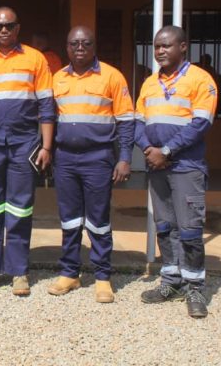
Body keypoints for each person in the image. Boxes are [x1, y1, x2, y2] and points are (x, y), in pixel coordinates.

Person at [0, 6, 55, 296]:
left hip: (24, 144)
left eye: (9, 25)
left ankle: (18, 272)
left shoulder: (35, 58)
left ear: (18, 28)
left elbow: (46, 106)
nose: (3, 30)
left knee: (20, 208)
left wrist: (46, 146)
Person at [47, 26, 134, 303]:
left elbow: (126, 121)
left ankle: (102, 277)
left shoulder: (111, 76)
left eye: (86, 43)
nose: (80, 48)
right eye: (74, 43)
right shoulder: (57, 78)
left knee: (98, 220)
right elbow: (48, 118)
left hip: (98, 158)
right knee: (69, 219)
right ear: (67, 47)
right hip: (65, 159)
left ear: (94, 46)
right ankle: (69, 273)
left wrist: (124, 158)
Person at [135, 25, 217, 319]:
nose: (160, 51)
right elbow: (137, 122)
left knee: (190, 229)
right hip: (157, 167)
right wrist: (149, 150)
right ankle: (171, 281)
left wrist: (166, 151)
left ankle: (194, 287)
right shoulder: (149, 83)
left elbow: (201, 124)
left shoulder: (201, 80)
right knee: (165, 226)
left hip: (186, 167)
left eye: (166, 45)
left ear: (183, 47)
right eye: (157, 46)